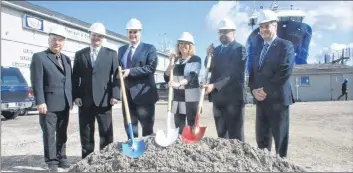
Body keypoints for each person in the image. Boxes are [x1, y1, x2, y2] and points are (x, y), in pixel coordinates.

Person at [248, 10, 295, 158]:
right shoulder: (258, 50)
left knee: (280, 140)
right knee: (262, 141)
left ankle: (282, 166)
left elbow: (285, 70)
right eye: (261, 27)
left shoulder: (286, 45)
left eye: (266, 26)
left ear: (275, 26)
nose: (263, 30)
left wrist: (266, 90)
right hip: (261, 102)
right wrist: (253, 90)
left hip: (278, 100)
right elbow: (253, 74)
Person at [72, 22, 119, 159]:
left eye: (99, 36)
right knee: (86, 132)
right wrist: (76, 96)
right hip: (85, 100)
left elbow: (116, 77)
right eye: (94, 35)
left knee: (106, 131)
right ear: (90, 35)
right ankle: (87, 159)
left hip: (105, 99)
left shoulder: (111, 54)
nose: (96, 38)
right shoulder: (80, 54)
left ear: (103, 38)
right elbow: (75, 78)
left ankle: (105, 159)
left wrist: (115, 95)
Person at [30, 26, 72, 172]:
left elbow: (68, 81)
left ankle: (61, 157)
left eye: (60, 40)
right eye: (54, 39)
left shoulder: (66, 59)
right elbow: (36, 81)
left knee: (62, 133)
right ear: (49, 40)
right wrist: (40, 101)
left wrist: (71, 99)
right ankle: (52, 162)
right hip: (48, 104)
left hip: (65, 103)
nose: (57, 43)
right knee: (49, 134)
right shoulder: (39, 57)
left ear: (64, 42)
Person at [203, 18, 248, 141]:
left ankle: (239, 160)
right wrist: (208, 56)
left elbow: (233, 74)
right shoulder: (216, 50)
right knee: (222, 136)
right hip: (219, 99)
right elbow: (210, 68)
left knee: (236, 137)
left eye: (226, 31)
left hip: (234, 99)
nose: (223, 34)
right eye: (220, 32)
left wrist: (214, 86)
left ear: (233, 33)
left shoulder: (240, 49)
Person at [117, 18, 158, 139]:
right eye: (130, 32)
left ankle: (147, 153)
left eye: (135, 32)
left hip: (144, 95)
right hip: (127, 95)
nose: (132, 35)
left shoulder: (149, 48)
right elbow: (118, 69)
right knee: (130, 126)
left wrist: (131, 71)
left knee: (147, 128)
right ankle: (133, 148)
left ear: (140, 32)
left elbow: (151, 67)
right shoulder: (122, 50)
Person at [163, 32, 201, 134]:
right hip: (178, 97)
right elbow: (167, 76)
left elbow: (191, 76)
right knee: (179, 125)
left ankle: (192, 144)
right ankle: (180, 143)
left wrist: (178, 84)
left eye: (186, 43)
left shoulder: (195, 59)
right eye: (181, 43)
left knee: (192, 124)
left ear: (191, 46)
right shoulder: (176, 60)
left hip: (191, 98)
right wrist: (170, 62)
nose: (183, 46)